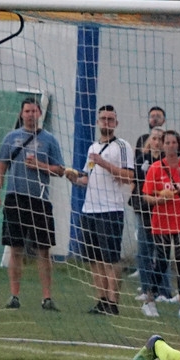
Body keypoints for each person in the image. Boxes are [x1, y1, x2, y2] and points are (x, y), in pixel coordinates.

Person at [0, 98, 66, 311]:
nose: (31, 115)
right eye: (27, 111)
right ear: (21, 114)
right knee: (15, 248)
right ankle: (14, 295)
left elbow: (60, 170)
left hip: (40, 199)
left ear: (40, 113)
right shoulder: (11, 138)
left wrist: (40, 165)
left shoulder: (49, 140)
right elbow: (1, 168)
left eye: (34, 111)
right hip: (15, 198)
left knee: (43, 249)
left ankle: (47, 297)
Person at [65, 105, 135, 316]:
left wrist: (104, 163)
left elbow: (128, 177)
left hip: (111, 209)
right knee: (94, 259)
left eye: (110, 119)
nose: (106, 122)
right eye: (103, 118)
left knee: (111, 258)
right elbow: (87, 178)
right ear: (97, 122)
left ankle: (113, 302)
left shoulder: (122, 146)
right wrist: (74, 178)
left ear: (116, 123)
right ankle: (101, 299)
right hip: (90, 209)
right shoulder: (93, 147)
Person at [142, 130, 180, 320]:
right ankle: (149, 300)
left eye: (173, 142)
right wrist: (159, 199)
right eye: (166, 142)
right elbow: (146, 195)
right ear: (162, 145)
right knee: (161, 260)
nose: (170, 145)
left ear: (179, 145)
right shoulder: (156, 168)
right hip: (162, 221)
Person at [132, 128, 173, 310]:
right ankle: (146, 287)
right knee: (143, 251)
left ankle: (164, 290)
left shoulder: (167, 162)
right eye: (154, 138)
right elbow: (137, 183)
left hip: (163, 211)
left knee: (161, 252)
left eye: (160, 139)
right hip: (145, 210)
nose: (157, 142)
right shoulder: (142, 159)